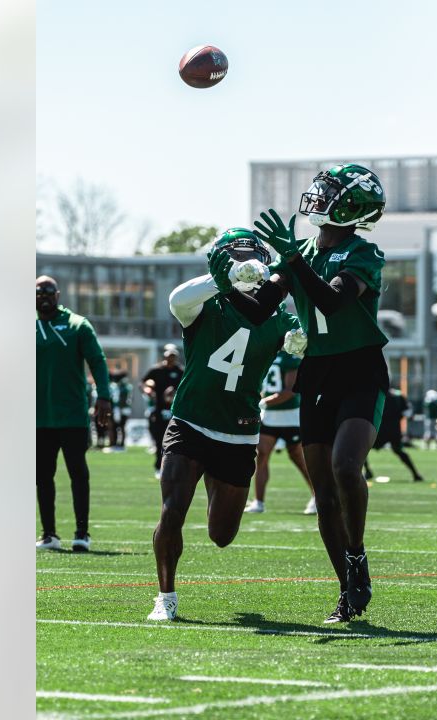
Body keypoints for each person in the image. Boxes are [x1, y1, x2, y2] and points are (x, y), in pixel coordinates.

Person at [223, 163, 389, 622]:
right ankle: (346, 587)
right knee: (324, 491)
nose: (318, 195)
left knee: (344, 466)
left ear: (352, 205)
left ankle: (356, 555)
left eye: (330, 190)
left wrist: (294, 260)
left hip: (358, 369)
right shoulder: (302, 253)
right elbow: (259, 311)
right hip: (317, 372)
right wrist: (224, 281)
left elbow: (334, 300)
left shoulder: (363, 252)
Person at [148, 229, 305, 621]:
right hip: (190, 422)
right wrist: (221, 279)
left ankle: (212, 486)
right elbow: (177, 299)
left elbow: (301, 337)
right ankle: (165, 598)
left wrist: (304, 342)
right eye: (237, 258)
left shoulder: (275, 315)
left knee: (222, 535)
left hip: (239, 431)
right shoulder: (206, 303)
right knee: (172, 510)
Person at [36, 275, 112, 552]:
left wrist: (104, 395)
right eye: (38, 291)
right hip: (37, 417)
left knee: (77, 473)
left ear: (58, 294)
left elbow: (97, 360)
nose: (43, 295)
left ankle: (82, 533)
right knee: (42, 476)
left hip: (72, 415)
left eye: (48, 291)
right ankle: (49, 535)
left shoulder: (77, 325)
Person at [245, 347, 316, 515]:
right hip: (269, 417)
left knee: (298, 458)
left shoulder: (290, 358)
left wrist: (262, 402)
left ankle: (317, 496)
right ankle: (259, 501)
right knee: (261, 455)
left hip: (290, 417)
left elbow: (290, 391)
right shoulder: (265, 355)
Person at [363, 387, 425, 483]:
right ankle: (416, 474)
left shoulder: (372, 394)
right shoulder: (398, 395)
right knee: (399, 451)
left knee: (362, 448)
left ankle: (368, 471)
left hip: (377, 429)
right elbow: (407, 413)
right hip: (394, 430)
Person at [142, 345, 182, 479]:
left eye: (173, 357)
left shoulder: (181, 371)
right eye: (168, 357)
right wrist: (147, 388)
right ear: (164, 357)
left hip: (177, 410)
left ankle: (174, 468)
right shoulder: (156, 370)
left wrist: (176, 394)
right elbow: (143, 383)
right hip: (159, 409)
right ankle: (159, 466)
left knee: (177, 441)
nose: (171, 360)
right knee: (159, 439)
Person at [106, 371, 133, 450]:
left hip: (120, 408)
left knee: (117, 426)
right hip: (122, 409)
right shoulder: (127, 386)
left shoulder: (119, 387)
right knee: (119, 427)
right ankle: (118, 444)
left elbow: (117, 399)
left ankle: (117, 444)